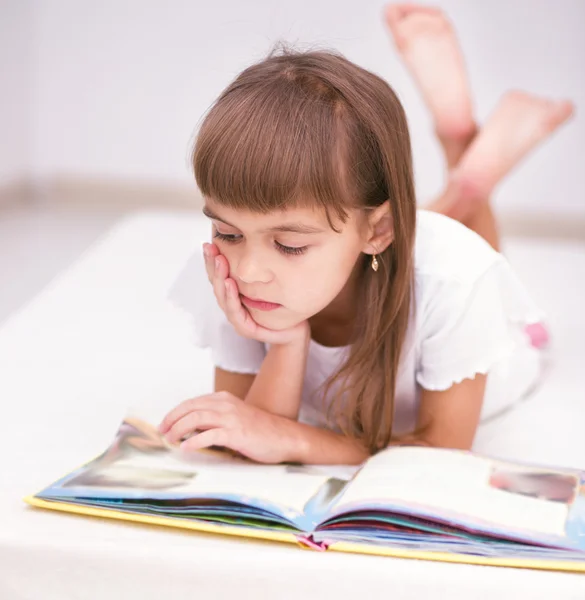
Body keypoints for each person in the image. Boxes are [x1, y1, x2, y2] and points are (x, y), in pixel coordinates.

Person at [158, 4, 573, 465]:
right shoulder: (231, 271)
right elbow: (250, 435)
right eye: (226, 232)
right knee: (409, 242)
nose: (250, 271)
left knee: (458, 256)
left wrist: (297, 441)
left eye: (290, 244)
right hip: (384, 242)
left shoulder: (455, 281)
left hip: (504, 340)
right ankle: (466, 171)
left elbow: (441, 453)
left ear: (381, 230)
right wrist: (286, 343)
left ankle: (463, 162)